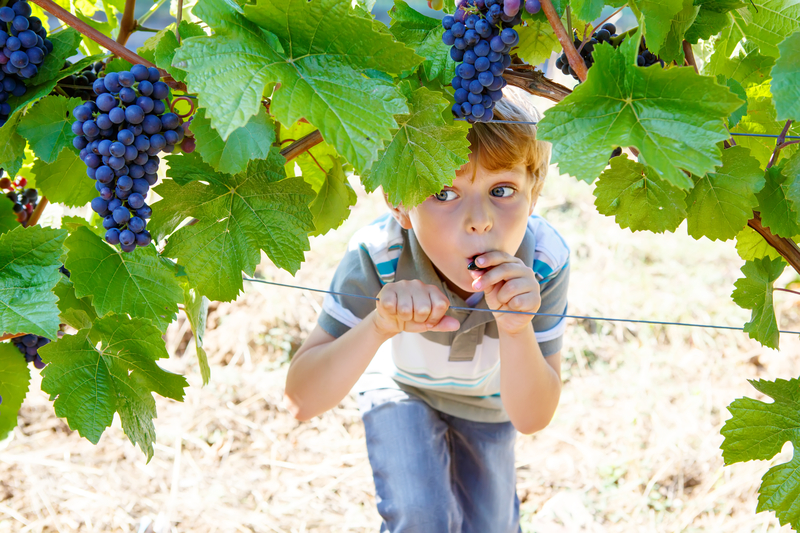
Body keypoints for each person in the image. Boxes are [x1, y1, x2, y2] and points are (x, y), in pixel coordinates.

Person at [283, 89, 570, 532]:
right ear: (400, 206)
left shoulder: (544, 262)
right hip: (401, 390)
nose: (479, 220)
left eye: (502, 189)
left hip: (490, 404)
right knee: (421, 517)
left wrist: (517, 331)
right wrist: (379, 326)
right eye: (442, 191)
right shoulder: (379, 254)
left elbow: (532, 418)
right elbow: (301, 400)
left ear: (533, 197)